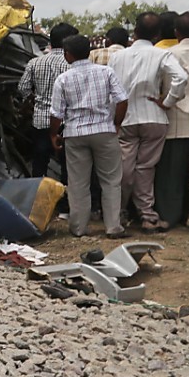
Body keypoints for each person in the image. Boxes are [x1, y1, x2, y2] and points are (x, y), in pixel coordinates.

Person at [109, 12, 188, 232]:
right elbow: (181, 78)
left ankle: (120, 212)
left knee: (124, 166)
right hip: (153, 116)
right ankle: (147, 215)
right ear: (156, 35)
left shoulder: (117, 57)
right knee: (146, 167)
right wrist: (168, 101)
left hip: (125, 118)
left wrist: (112, 117)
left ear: (134, 32)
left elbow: (111, 90)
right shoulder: (160, 54)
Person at [50, 35, 129, 238]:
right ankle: (113, 227)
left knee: (78, 183)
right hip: (104, 130)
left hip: (75, 133)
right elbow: (122, 100)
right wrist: (117, 123)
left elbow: (57, 113)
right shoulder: (106, 72)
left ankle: (79, 228)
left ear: (68, 55)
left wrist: (54, 135)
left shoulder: (63, 79)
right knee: (111, 180)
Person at [19, 22, 79, 178]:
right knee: (69, 165)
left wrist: (33, 100)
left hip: (41, 121)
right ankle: (66, 196)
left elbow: (23, 88)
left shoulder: (35, 62)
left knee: (39, 164)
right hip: (67, 123)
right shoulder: (74, 65)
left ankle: (38, 196)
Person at [155, 12, 189, 229]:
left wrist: (165, 102)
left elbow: (162, 84)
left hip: (176, 118)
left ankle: (171, 216)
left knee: (171, 172)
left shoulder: (167, 55)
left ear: (176, 32)